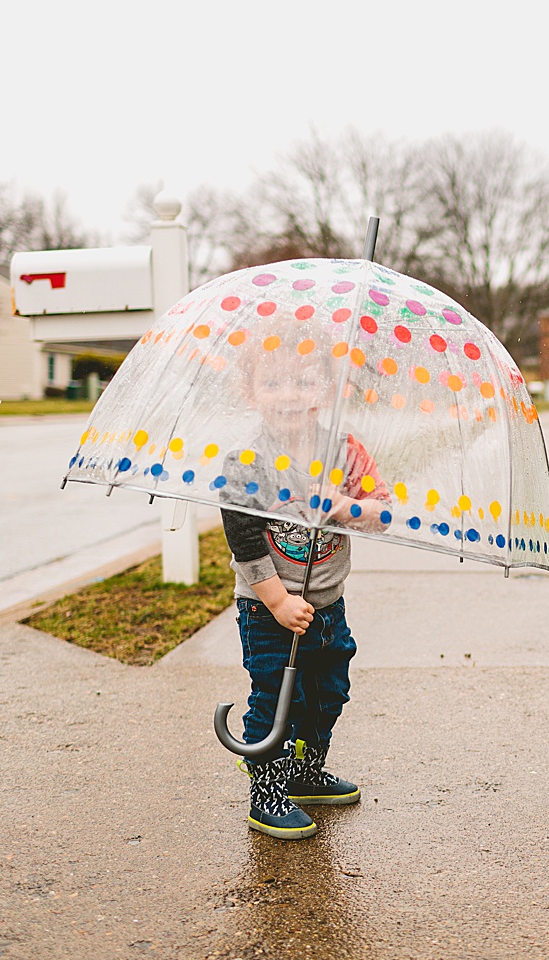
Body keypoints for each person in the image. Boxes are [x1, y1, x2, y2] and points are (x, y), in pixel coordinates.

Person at [220, 334, 389, 840]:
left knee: (327, 694)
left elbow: (382, 512)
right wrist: (276, 600)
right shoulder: (246, 461)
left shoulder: (346, 451)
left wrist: (342, 505)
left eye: (302, 380)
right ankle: (267, 788)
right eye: (272, 382)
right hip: (268, 608)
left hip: (328, 606)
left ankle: (305, 770)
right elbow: (244, 539)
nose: (289, 393)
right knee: (276, 698)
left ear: (324, 388)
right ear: (251, 393)